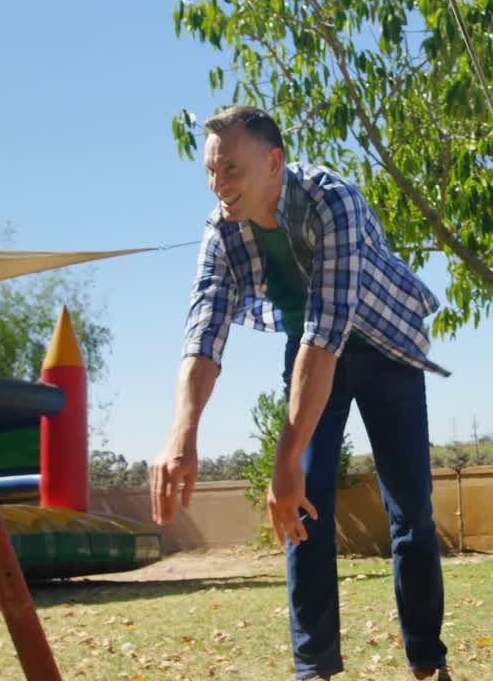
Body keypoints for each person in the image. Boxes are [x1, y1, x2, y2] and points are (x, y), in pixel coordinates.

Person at [149, 106, 452, 681]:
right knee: (300, 508)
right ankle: (315, 668)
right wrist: (181, 436)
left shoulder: (333, 201)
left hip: (383, 346)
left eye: (232, 170)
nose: (220, 187)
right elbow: (203, 333)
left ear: (274, 163)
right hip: (311, 358)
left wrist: (286, 457)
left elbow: (326, 330)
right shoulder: (222, 233)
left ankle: (427, 663)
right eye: (212, 173)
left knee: (410, 510)